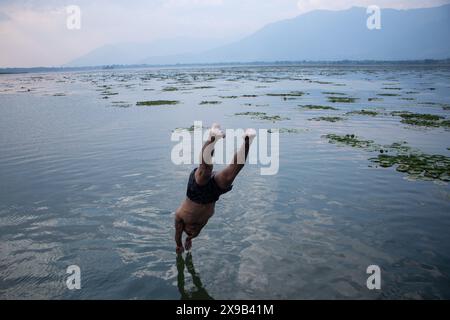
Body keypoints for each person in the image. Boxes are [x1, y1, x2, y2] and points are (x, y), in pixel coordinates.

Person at [174, 123, 256, 253]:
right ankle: (248, 139)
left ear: (184, 227)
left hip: (195, 193)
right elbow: (193, 233)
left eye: (188, 231)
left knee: (206, 170)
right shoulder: (197, 230)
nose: (191, 231)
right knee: (231, 174)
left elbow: (178, 234)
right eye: (191, 233)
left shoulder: (180, 218)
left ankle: (212, 137)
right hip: (212, 195)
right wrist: (189, 239)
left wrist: (179, 244)